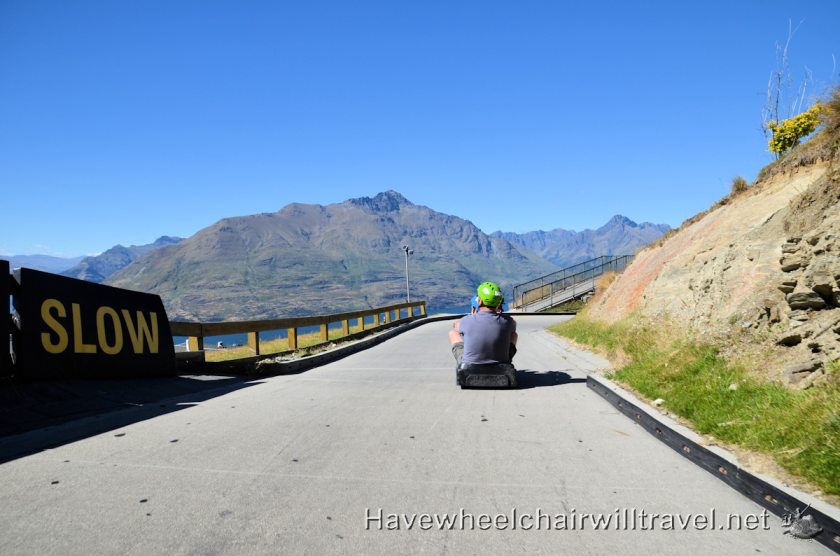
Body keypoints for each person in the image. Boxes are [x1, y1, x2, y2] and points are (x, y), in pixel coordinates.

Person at [449, 281, 518, 367]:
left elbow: (456, 326)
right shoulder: (508, 321)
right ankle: (505, 359)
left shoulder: (466, 320)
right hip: (501, 363)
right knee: (514, 335)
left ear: (480, 301)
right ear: (498, 303)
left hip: (469, 365)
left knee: (453, 333)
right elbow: (514, 326)